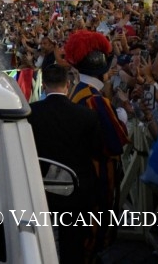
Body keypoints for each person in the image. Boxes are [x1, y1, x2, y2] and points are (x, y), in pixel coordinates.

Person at [64, 30, 129, 259]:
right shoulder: (96, 99)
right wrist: (122, 112)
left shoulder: (76, 91)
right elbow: (115, 142)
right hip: (97, 175)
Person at [28, 64, 102, 264]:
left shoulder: (30, 113)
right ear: (67, 85)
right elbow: (96, 153)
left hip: (39, 186)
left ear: (43, 86)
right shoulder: (87, 115)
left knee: (35, 241)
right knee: (73, 245)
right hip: (76, 189)